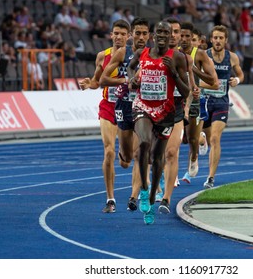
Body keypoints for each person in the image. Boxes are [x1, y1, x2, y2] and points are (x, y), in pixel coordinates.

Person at [127, 20, 190, 224]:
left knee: (157, 158)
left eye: (167, 32)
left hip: (165, 111)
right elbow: (130, 68)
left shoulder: (177, 57)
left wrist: (173, 73)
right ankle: (144, 191)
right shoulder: (141, 54)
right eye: (159, 31)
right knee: (144, 143)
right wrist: (131, 80)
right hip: (142, 106)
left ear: (171, 35)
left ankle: (153, 195)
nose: (163, 35)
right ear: (153, 35)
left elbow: (187, 91)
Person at [78, 19, 130, 213]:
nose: (118, 37)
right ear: (111, 35)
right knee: (108, 151)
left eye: (122, 34)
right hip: (108, 106)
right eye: (115, 33)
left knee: (125, 161)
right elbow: (97, 81)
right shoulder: (102, 56)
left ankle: (124, 152)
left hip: (129, 107)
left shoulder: (135, 56)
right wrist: (88, 83)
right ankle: (110, 199)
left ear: (128, 36)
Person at [99, 17, 150, 211]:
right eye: (138, 33)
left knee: (140, 153)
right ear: (133, 36)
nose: (141, 37)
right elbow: (103, 78)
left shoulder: (155, 55)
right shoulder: (122, 53)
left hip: (144, 108)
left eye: (145, 33)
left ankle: (134, 197)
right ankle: (123, 152)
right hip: (123, 107)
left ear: (149, 36)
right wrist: (124, 82)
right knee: (126, 157)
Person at [158, 17, 197, 214]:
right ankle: (156, 185)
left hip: (176, 111)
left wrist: (187, 111)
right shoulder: (151, 55)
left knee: (171, 153)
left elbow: (188, 89)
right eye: (170, 31)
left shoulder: (184, 58)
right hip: (154, 111)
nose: (174, 36)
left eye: (177, 32)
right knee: (153, 155)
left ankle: (166, 198)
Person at [201, 25, 244, 189]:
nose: (218, 41)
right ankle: (200, 141)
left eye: (221, 38)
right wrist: (210, 84)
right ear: (211, 39)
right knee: (201, 138)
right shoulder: (203, 56)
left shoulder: (232, 57)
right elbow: (194, 77)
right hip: (204, 102)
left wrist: (237, 81)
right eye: (215, 38)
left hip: (221, 102)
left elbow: (240, 74)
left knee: (215, 138)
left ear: (226, 40)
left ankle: (210, 177)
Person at [179, 21, 218, 184]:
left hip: (195, 101)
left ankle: (196, 150)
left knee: (191, 139)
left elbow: (214, 82)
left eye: (188, 36)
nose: (184, 39)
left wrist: (193, 70)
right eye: (182, 35)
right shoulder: (173, 53)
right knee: (180, 138)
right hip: (176, 99)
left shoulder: (200, 55)